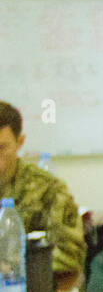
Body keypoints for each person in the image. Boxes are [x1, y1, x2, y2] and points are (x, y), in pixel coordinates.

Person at [0, 102, 86, 274]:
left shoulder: (48, 189)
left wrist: (15, 267)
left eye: (1, 148)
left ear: (20, 142)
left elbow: (71, 254)